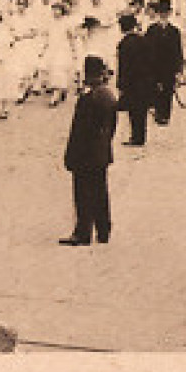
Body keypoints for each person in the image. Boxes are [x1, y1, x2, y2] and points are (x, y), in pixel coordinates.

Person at [61, 56, 117, 246]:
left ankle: (83, 232)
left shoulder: (87, 99)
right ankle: (103, 230)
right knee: (101, 191)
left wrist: (70, 156)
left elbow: (79, 132)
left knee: (83, 193)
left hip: (85, 155)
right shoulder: (108, 95)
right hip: (102, 153)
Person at [144, 1, 185, 130]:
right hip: (154, 64)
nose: (163, 16)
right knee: (156, 88)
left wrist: (178, 69)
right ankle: (158, 112)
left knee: (168, 90)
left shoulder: (174, 31)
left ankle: (165, 115)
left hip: (169, 66)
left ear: (169, 14)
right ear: (158, 14)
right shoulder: (151, 30)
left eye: (166, 13)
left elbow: (178, 51)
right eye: (161, 13)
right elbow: (146, 48)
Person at [115, 13, 150, 147]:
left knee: (133, 111)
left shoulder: (124, 44)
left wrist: (121, 85)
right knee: (142, 110)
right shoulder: (143, 40)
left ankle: (136, 137)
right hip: (144, 80)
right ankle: (141, 136)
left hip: (131, 82)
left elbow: (123, 67)